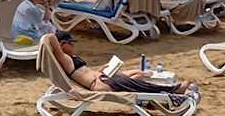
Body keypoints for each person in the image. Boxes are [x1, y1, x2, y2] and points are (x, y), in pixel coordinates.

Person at [46, 31, 195, 96]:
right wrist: (45, 40)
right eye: (71, 43)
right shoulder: (64, 59)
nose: (73, 46)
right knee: (136, 83)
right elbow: (51, 38)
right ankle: (173, 90)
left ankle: (167, 89)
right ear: (62, 44)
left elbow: (85, 72)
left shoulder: (70, 57)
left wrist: (101, 70)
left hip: (101, 77)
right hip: (99, 84)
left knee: (136, 77)